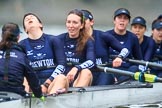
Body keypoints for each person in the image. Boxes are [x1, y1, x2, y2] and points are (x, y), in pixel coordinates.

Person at [19, 13, 68, 94]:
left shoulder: (53, 40)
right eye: (26, 19)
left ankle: (50, 104)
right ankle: (24, 101)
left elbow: (62, 65)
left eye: (32, 17)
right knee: (23, 78)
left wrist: (46, 84)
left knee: (61, 77)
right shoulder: (21, 45)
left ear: (40, 24)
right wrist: (36, 87)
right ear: (25, 30)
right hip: (33, 84)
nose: (29, 18)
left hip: (52, 82)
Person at [81, 9, 129, 85]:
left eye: (84, 20)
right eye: (79, 21)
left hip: (102, 72)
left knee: (106, 76)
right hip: (84, 74)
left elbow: (125, 50)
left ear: (91, 22)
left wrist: (120, 57)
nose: (81, 23)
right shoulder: (74, 38)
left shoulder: (103, 36)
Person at [0, 22, 42, 98]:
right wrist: (39, 95)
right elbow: (33, 81)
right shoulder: (22, 56)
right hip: (15, 95)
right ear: (18, 37)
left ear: (2, 36)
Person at [57, 9, 95, 87]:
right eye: (69, 22)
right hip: (63, 78)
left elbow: (91, 62)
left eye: (75, 22)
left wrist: (76, 68)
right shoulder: (58, 40)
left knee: (86, 72)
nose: (71, 26)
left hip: (79, 78)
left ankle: (75, 96)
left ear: (81, 25)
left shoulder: (88, 40)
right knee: (60, 78)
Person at [105, 8, 143, 82]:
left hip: (127, 71)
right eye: (119, 18)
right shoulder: (106, 35)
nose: (122, 20)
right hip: (110, 69)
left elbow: (139, 59)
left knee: (135, 68)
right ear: (114, 21)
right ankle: (118, 81)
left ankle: (120, 82)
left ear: (128, 22)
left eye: (125, 18)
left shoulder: (133, 38)